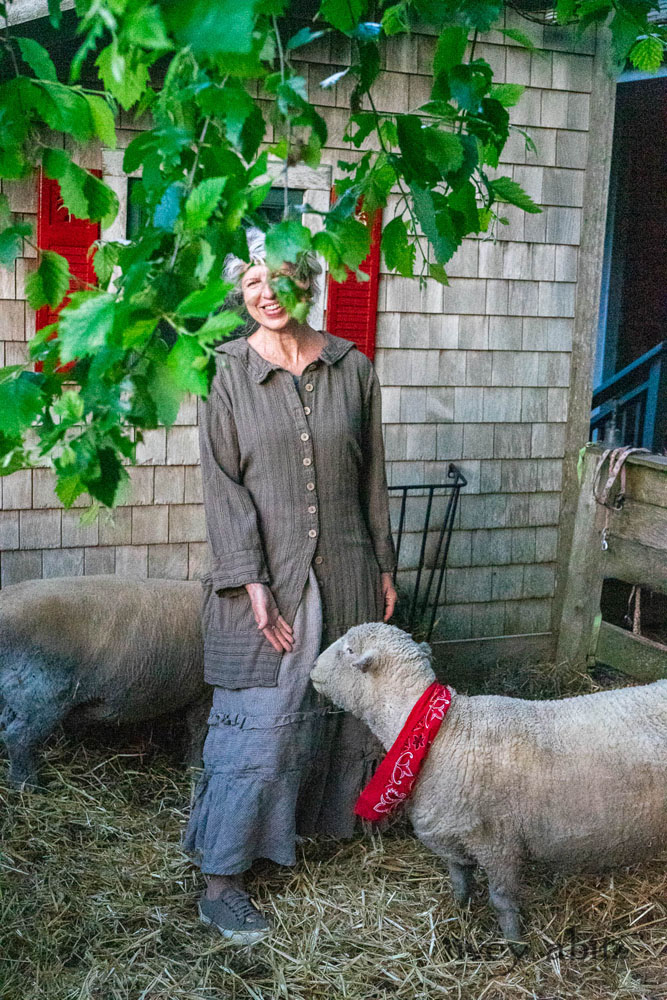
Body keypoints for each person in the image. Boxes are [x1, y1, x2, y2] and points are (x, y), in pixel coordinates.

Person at [182, 227, 397, 945]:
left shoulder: (352, 368)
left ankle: (313, 839)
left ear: (307, 282)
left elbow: (372, 476)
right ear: (240, 295)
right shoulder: (226, 372)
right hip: (266, 580)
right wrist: (249, 580)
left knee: (340, 713)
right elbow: (224, 487)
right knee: (259, 728)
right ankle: (221, 881)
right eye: (251, 285)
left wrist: (383, 566)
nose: (265, 295)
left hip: (348, 566)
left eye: (278, 279)